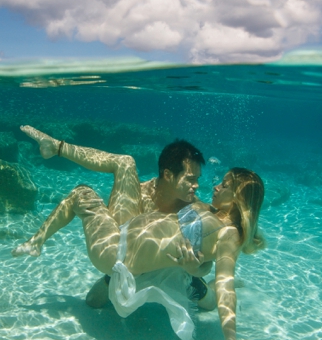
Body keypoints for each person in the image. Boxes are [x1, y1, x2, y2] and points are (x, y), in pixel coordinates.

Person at [13, 128, 264, 340]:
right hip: (123, 238)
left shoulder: (228, 232)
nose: (213, 185)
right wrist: (198, 265)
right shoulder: (203, 209)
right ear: (168, 174)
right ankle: (52, 166)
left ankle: (37, 241)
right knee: (124, 164)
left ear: (238, 197)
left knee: (82, 193)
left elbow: (224, 282)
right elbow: (196, 247)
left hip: (115, 250)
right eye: (217, 181)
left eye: (225, 185)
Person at [16, 127, 213, 308]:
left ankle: (201, 287)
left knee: (210, 305)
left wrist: (196, 270)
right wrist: (38, 239)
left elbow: (208, 259)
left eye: (197, 180)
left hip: (173, 272)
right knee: (92, 302)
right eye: (190, 179)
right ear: (168, 175)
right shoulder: (137, 194)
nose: (196, 185)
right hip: (126, 264)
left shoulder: (194, 209)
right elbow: (110, 232)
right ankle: (57, 147)